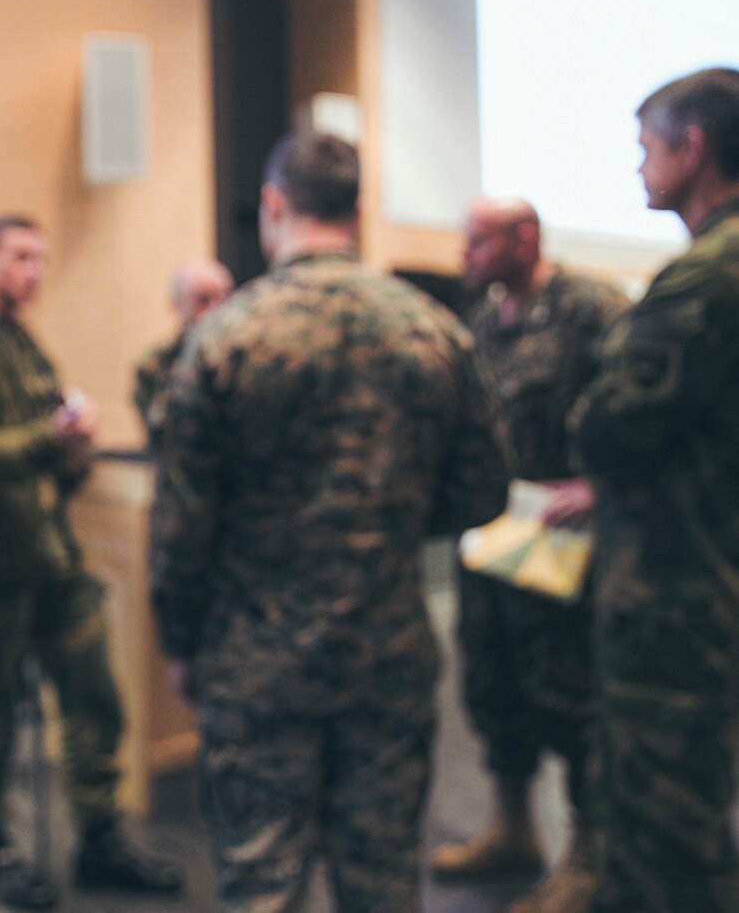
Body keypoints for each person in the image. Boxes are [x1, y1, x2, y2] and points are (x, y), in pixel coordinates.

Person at [150, 131, 509, 913]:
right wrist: (394, 517)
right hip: (388, 652)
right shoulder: (433, 331)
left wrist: (180, 639)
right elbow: (483, 491)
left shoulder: (224, 338)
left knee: (259, 882)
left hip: (255, 661)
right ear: (359, 209)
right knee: (381, 881)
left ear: (274, 207)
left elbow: (182, 518)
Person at [0, 215, 183, 910]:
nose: (32, 272)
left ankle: (99, 835)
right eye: (18, 256)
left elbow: (46, 451)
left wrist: (70, 452)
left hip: (50, 555)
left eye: (41, 258)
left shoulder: (22, 342)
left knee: (96, 699)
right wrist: (47, 437)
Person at [431, 198, 627, 912]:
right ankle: (514, 828)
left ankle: (587, 856)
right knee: (493, 685)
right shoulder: (484, 320)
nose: (466, 254)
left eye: (479, 239)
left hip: (562, 540)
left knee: (570, 697)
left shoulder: (589, 309)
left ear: (526, 237)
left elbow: (632, 416)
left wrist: (598, 486)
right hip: (493, 534)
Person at [574, 67, 739, 913]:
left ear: (693, 149)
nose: (640, 168)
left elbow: (605, 431)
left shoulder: (706, 279)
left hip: (681, 599)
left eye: (648, 149)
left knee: (662, 847)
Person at [131, 258, 233, 445]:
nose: (216, 310)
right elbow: (160, 434)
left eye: (223, 298)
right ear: (176, 304)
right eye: (203, 300)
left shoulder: (240, 356)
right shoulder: (155, 363)